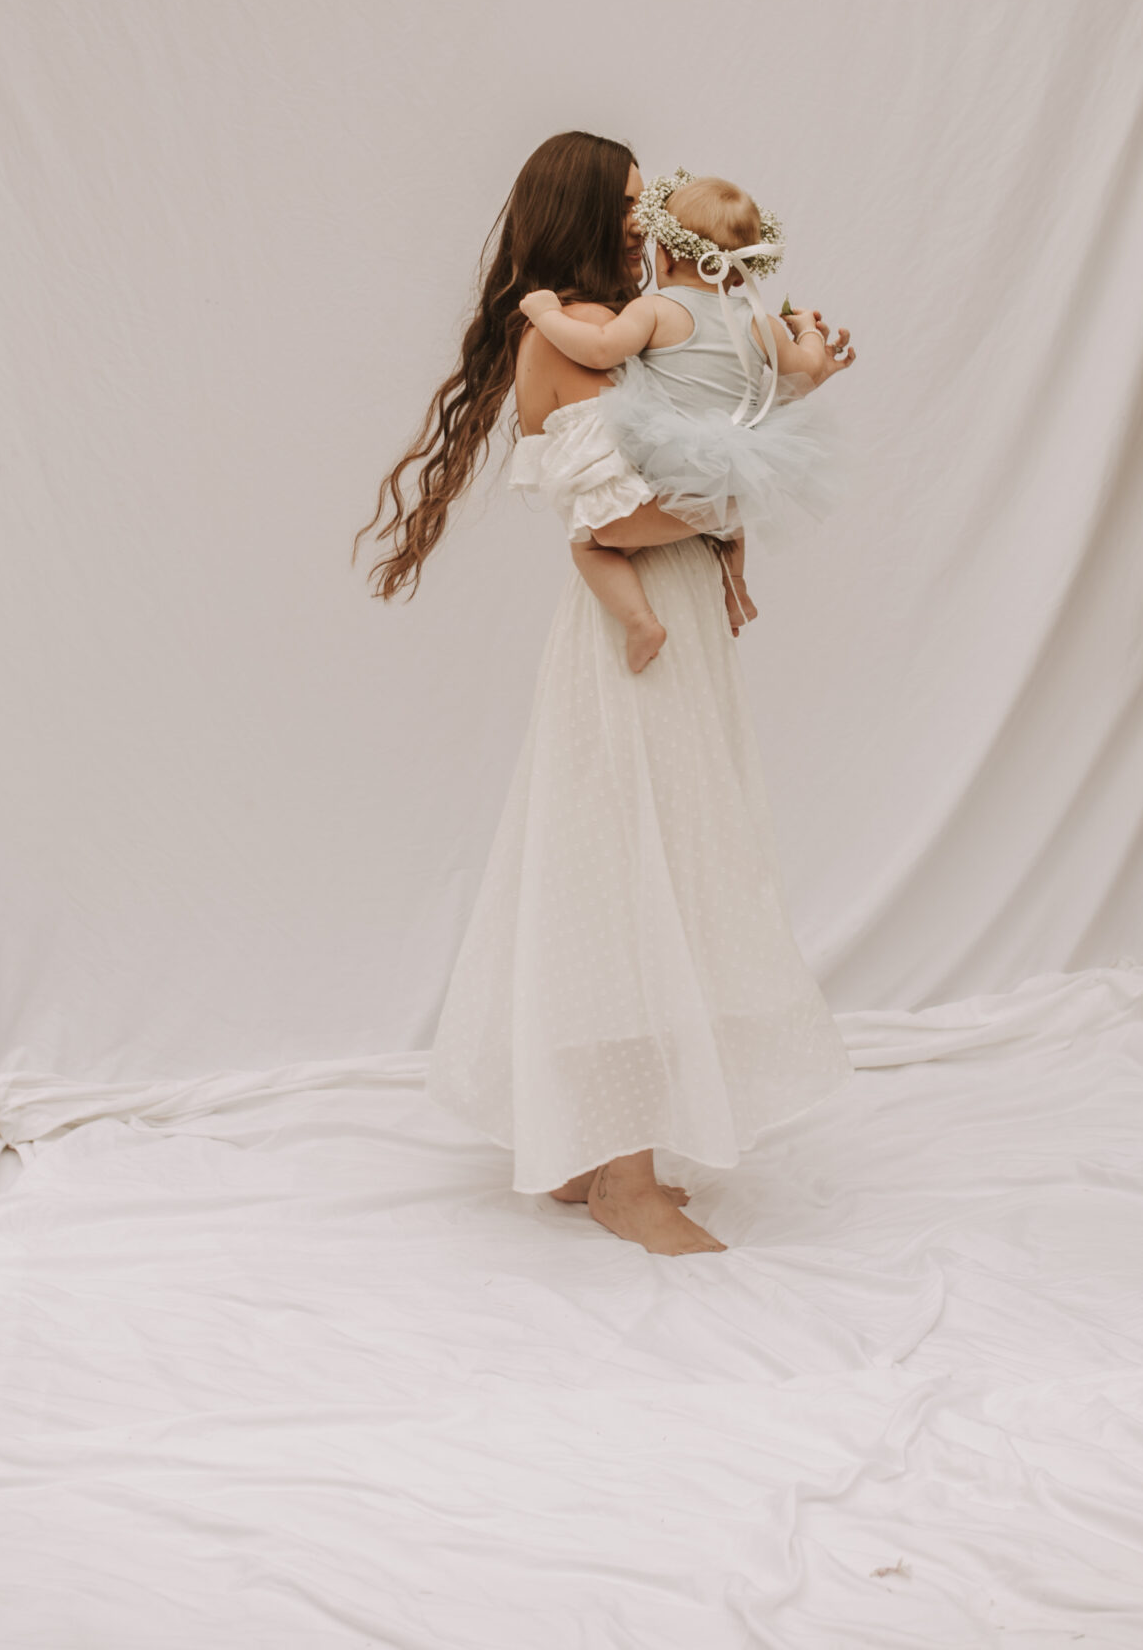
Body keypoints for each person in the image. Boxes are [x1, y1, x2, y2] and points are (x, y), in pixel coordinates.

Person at [360, 131, 853, 1258]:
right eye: (630, 204)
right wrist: (736, 509)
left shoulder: (634, 331)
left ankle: (597, 1152)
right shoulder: (574, 344)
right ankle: (626, 1175)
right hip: (638, 639)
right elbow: (614, 518)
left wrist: (792, 389)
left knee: (653, 863)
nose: (644, 222)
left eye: (649, 205)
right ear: (587, 212)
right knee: (637, 872)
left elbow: (703, 444)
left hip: (671, 625)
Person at [518, 169, 854, 674]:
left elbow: (601, 349)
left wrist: (545, 315)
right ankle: (735, 588)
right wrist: (808, 333)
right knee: (728, 513)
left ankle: (639, 622)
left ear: (668, 255)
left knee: (588, 539)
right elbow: (803, 375)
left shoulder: (653, 308)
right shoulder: (758, 322)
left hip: (670, 450)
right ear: (740, 270)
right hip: (739, 450)